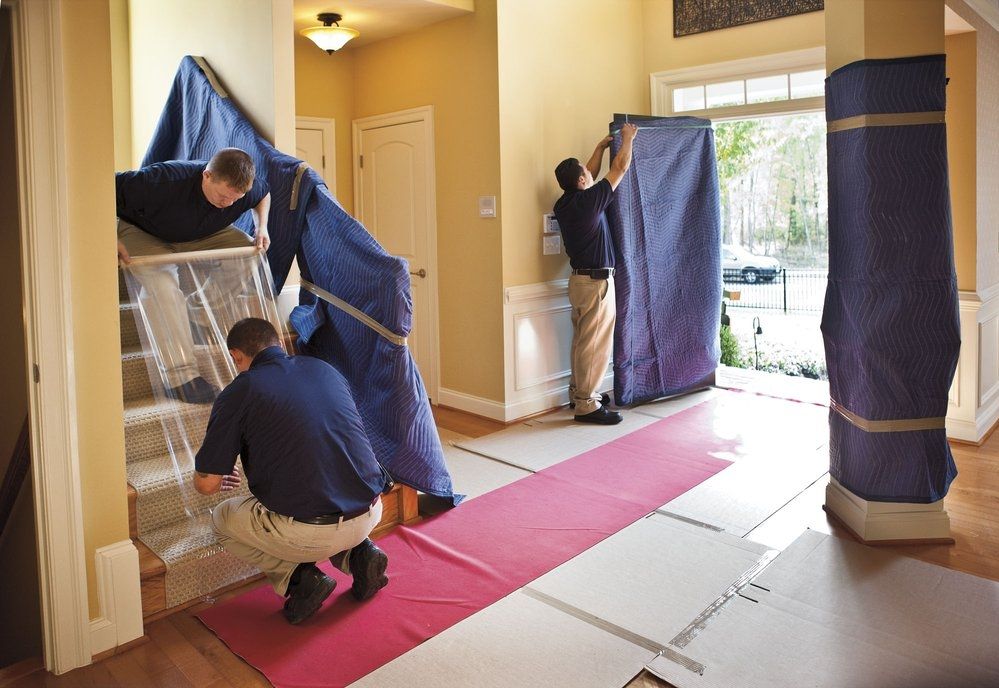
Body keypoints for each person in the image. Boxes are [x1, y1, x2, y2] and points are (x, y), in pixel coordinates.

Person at [193, 318, 392, 625]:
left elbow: (206, 485)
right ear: (279, 344)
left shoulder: (241, 390)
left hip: (310, 532)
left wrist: (213, 473)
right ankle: (361, 554)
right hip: (371, 510)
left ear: (236, 356)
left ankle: (301, 579)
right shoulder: (323, 369)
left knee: (221, 520)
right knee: (322, 487)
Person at [116, 148, 272, 404]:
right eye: (223, 196)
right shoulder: (160, 180)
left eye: (235, 199)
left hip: (198, 233)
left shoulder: (242, 190)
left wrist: (261, 226)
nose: (228, 204)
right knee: (163, 288)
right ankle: (179, 378)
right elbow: (100, 185)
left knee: (248, 252)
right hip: (144, 232)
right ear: (207, 175)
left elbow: (263, 194)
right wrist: (111, 236)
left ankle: (196, 315)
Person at [553, 123, 637, 425]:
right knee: (593, 344)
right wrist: (628, 138)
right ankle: (587, 404)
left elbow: (586, 173)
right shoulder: (589, 201)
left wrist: (599, 149)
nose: (591, 174)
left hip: (579, 281)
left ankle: (580, 393)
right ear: (581, 181)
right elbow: (620, 167)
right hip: (596, 283)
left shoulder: (565, 203)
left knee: (582, 341)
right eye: (586, 174)